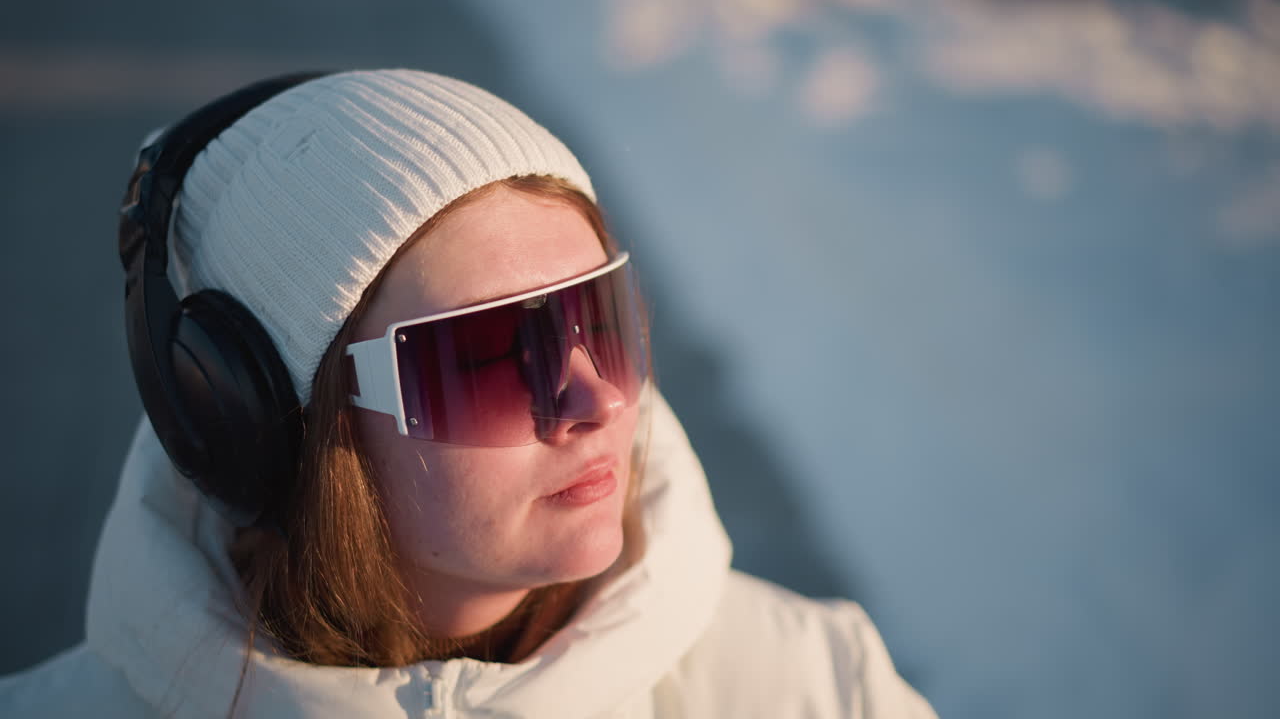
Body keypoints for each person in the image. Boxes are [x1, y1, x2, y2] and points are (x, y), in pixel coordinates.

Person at [0, 69, 936, 718]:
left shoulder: (817, 683)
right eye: (486, 356)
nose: (593, 399)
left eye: (596, 315)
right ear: (269, 430)